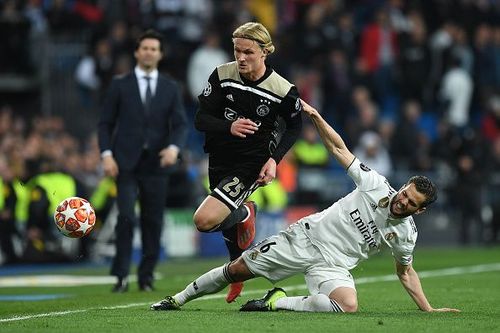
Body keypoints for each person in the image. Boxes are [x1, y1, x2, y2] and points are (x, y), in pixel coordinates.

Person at [150, 99, 460, 314]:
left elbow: (405, 272)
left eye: (411, 203)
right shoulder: (375, 185)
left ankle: (277, 302)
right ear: (403, 186)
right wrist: (315, 116)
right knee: (237, 271)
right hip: (305, 239)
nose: (402, 200)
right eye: (405, 192)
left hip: (334, 266)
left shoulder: (405, 234)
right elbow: (339, 148)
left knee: (347, 306)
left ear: (419, 211)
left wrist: (428, 309)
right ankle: (178, 299)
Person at [191, 22, 303, 303]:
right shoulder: (222, 75)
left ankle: (244, 215)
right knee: (225, 223)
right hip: (219, 156)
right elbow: (201, 119)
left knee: (203, 220)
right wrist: (228, 128)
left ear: (264, 52)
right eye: (237, 50)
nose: (240, 57)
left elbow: (294, 128)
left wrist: (274, 160)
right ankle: (238, 262)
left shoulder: (282, 90)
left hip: (250, 162)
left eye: (248, 52)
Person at [98, 29, 188, 293]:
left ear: (160, 54)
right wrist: (106, 155)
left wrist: (173, 148)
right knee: (125, 217)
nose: (149, 52)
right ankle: (121, 275)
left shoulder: (170, 88)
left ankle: (146, 276)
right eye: (145, 48)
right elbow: (105, 124)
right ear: (137, 52)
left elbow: (181, 125)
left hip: (157, 165)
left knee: (153, 221)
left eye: (154, 49)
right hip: (124, 163)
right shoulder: (119, 85)